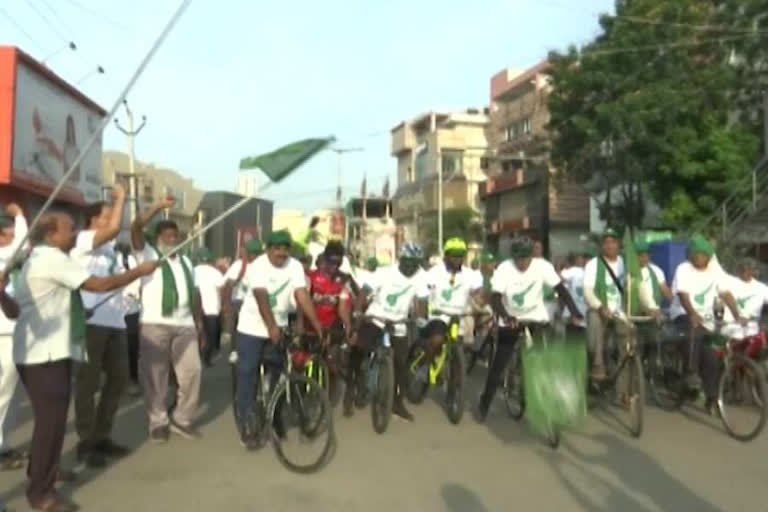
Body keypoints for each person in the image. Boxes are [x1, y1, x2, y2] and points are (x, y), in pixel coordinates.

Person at [10, 211, 155, 512]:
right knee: (51, 425)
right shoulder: (52, 257)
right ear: (51, 235)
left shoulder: (35, 258)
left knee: (48, 423)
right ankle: (40, 492)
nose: (75, 233)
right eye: (69, 228)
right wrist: (138, 272)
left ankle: (43, 471)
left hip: (38, 352)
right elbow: (97, 286)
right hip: (46, 355)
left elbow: (24, 307)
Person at [477, 236, 582, 421]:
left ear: (532, 256)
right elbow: (495, 298)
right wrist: (506, 317)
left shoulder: (542, 266)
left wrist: (574, 311)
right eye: (519, 258)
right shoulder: (505, 268)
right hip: (510, 318)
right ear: (513, 256)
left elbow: (561, 290)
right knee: (499, 364)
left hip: (536, 316)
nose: (522, 262)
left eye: (526, 258)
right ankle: (485, 402)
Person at [235, 230, 324, 447]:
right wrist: (271, 326)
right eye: (277, 249)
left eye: (285, 249)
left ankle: (274, 417)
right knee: (248, 373)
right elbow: (261, 296)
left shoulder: (294, 266)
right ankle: (247, 419)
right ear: (268, 249)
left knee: (278, 374)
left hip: (280, 327)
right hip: (252, 328)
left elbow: (301, 295)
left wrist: (316, 323)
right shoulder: (258, 266)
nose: (281, 253)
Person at [131, 197, 207, 443]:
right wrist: (156, 207)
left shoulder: (185, 260)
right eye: (166, 235)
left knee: (192, 371)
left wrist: (199, 322)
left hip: (185, 325)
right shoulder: (148, 254)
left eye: (175, 235)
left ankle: (182, 418)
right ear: (157, 239)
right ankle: (158, 422)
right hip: (155, 324)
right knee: (156, 376)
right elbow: (135, 227)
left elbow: (194, 293)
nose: (172, 239)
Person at [71, 185, 136, 469]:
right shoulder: (84, 239)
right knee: (88, 383)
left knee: (119, 379)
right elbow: (112, 231)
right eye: (107, 215)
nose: (112, 220)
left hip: (114, 321)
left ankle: (102, 435)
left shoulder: (111, 249)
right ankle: (85, 440)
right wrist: (120, 198)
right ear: (93, 220)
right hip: (92, 321)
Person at [351, 242, 429, 421]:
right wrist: (358, 310)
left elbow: (422, 300)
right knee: (362, 347)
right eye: (408, 262)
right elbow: (364, 292)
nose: (411, 267)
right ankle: (360, 381)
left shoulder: (420, 276)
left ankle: (397, 403)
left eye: (415, 263)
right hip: (376, 318)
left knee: (401, 364)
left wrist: (421, 316)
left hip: (399, 322)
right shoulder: (385, 273)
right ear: (400, 259)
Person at [669, 236, 743, 413]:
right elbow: (683, 295)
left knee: (711, 358)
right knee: (693, 328)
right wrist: (692, 313)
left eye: (702, 255)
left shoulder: (715, 271)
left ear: (709, 256)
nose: (698, 258)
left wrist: (738, 316)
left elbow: (726, 294)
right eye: (695, 254)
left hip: (705, 319)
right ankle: (691, 372)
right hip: (683, 314)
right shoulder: (684, 269)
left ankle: (712, 398)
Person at [416, 238, 484, 382]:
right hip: (439, 315)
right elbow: (422, 295)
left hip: (460, 316)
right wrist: (421, 315)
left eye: (460, 255)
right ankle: (424, 365)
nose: (457, 259)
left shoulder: (471, 275)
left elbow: (478, 294)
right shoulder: (434, 273)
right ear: (445, 256)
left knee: (463, 349)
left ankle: (453, 392)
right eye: (454, 255)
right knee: (437, 340)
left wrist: (481, 304)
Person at [303, 241, 353, 401]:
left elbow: (343, 309)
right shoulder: (309, 277)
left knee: (332, 367)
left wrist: (349, 328)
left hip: (329, 330)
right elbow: (301, 302)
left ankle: (327, 403)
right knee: (299, 364)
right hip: (308, 328)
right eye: (331, 261)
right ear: (324, 259)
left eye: (338, 263)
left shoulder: (341, 282)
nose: (334, 266)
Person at [0, 203, 27, 472]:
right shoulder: (4, 255)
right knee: (1, 395)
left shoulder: (11, 258)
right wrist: (19, 216)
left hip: (16, 331)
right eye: (8, 233)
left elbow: (22, 244)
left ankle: (4, 443)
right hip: (2, 333)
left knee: (11, 395)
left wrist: (19, 218)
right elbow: (24, 242)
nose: (12, 237)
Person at [583, 229, 625, 382]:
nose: (610, 245)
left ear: (618, 245)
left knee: (629, 342)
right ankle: (598, 363)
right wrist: (600, 307)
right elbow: (587, 291)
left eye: (613, 242)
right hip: (599, 308)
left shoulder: (624, 262)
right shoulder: (593, 265)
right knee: (595, 323)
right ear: (601, 246)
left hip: (621, 311)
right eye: (606, 242)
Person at [222, 239, 263, 347]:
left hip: (257, 302)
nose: (255, 256)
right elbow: (229, 284)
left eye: (258, 254)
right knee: (238, 327)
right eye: (253, 253)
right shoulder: (239, 265)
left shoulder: (263, 266)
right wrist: (226, 304)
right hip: (239, 301)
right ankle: (234, 350)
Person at [116, 243, 142, 396]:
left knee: (131, 347)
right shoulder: (111, 259)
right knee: (126, 348)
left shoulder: (129, 260)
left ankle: (131, 379)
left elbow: (136, 282)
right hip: (118, 310)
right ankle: (125, 379)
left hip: (130, 310)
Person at [194, 247, 225, 366]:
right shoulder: (215, 272)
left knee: (197, 333)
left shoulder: (193, 270)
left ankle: (196, 356)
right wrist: (222, 306)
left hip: (196, 308)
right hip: (212, 308)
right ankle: (207, 358)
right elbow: (221, 290)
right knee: (210, 334)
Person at [560, 250, 589, 339]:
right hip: (573, 313)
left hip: (587, 315)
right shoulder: (575, 271)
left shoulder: (595, 274)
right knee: (572, 341)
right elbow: (559, 279)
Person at [636, 240, 673, 305]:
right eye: (641, 256)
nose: (645, 258)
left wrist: (677, 305)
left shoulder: (656, 270)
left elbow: (665, 290)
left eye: (647, 255)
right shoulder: (629, 272)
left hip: (655, 310)